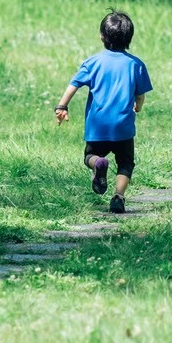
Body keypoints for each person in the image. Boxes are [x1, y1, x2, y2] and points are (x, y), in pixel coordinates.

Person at [54, 11, 152, 214]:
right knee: (125, 162)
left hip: (98, 125)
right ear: (129, 38)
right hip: (123, 127)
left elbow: (74, 85)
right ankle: (118, 196)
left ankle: (98, 164)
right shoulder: (136, 64)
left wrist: (62, 106)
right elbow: (140, 95)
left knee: (90, 155)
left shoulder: (93, 62)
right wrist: (138, 107)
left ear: (102, 36)